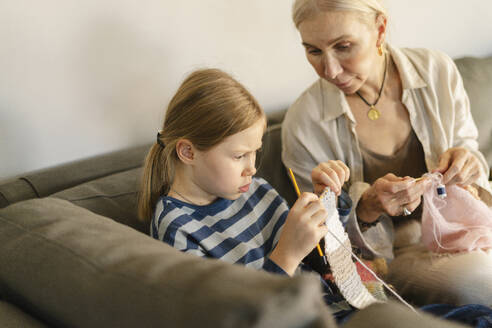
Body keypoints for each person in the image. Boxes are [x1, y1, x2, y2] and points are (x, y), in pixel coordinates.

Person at [282, 0, 492, 308]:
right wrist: (366, 210)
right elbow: (325, 246)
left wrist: (468, 162)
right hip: (399, 253)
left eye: (343, 46)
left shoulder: (436, 70)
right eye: (313, 51)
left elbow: (472, 154)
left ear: (380, 29)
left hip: (465, 222)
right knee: (479, 280)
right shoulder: (303, 124)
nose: (329, 70)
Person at [137, 68, 359, 322]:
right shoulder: (177, 228)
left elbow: (320, 257)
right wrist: (286, 255)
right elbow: (229, 318)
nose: (251, 168)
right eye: (239, 155)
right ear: (188, 153)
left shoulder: (256, 190)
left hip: (337, 306)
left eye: (255, 152)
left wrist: (327, 202)